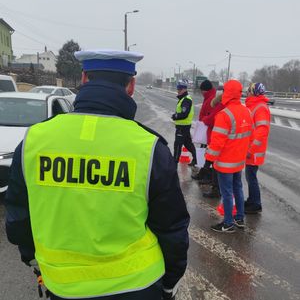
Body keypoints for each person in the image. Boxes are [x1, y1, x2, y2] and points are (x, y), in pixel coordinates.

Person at [5, 49, 190, 300]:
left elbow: (18, 215)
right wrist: (169, 284)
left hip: (63, 287)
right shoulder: (149, 147)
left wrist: (33, 259)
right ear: (131, 85)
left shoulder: (34, 141)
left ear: (83, 79)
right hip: (137, 286)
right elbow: (172, 229)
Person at [204, 80, 253, 233]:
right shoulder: (247, 111)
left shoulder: (224, 115)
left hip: (225, 162)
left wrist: (208, 160)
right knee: (238, 188)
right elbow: (249, 136)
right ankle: (239, 218)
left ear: (227, 93)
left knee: (226, 192)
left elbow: (217, 141)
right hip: (239, 160)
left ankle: (228, 223)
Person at [191, 80, 224, 198]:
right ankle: (207, 177)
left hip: (213, 134)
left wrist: (204, 119)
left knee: (212, 159)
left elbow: (211, 117)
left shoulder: (215, 101)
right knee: (210, 159)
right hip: (211, 133)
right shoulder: (213, 99)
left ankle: (212, 182)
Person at [244, 83, 271, 214]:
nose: (246, 92)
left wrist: (251, 149)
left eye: (249, 91)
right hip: (251, 148)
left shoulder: (260, 107)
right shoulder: (254, 105)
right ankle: (252, 200)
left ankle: (255, 203)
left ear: (254, 93)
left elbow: (262, 130)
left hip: (254, 150)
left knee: (251, 176)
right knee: (250, 176)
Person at [172, 80, 197, 166]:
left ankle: (173, 165)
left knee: (178, 146)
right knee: (188, 144)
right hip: (184, 126)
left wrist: (175, 116)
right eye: (177, 88)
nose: (178, 90)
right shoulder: (184, 98)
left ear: (184, 89)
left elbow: (184, 114)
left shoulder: (186, 100)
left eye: (180, 88)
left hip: (182, 128)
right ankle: (196, 160)